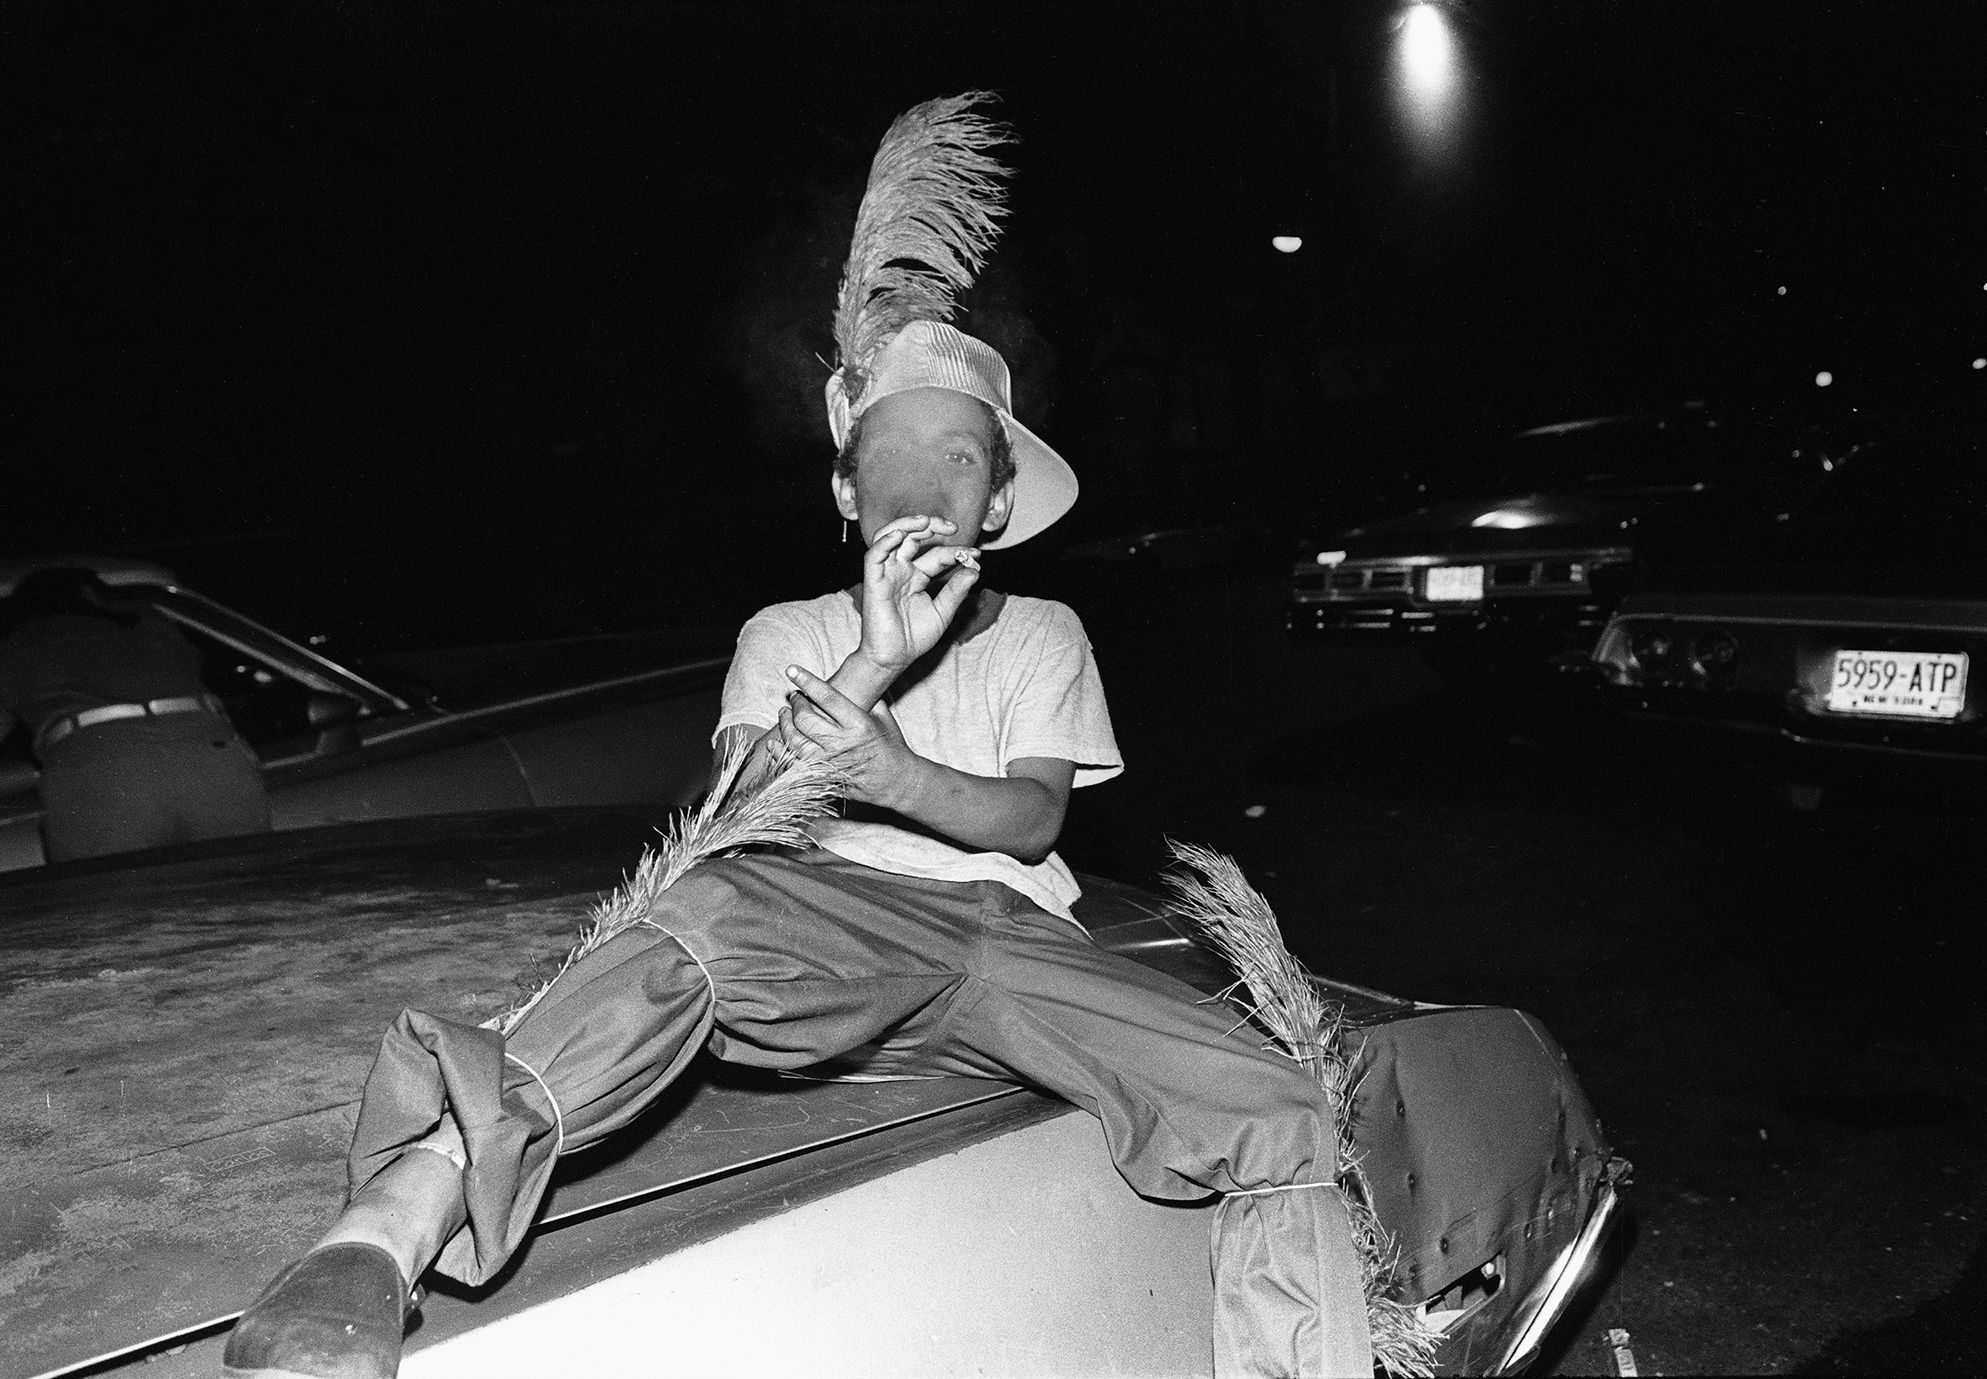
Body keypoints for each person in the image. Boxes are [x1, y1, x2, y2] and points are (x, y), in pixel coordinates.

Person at [222, 96, 1371, 1379]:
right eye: (890, 458)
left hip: (1017, 942)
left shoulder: (1042, 630)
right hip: (839, 927)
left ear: (996, 499)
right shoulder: (787, 629)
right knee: (698, 920)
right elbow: (725, 824)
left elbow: (1036, 816)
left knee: (1276, 1106)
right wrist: (873, 663)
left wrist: (888, 764)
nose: (922, 487)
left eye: (958, 459)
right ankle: (397, 1216)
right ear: (843, 492)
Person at [0, 566, 269, 862]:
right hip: (211, 756)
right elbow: (188, 665)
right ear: (92, 594)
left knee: (110, 897)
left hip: (102, 770)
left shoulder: (20, 644)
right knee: (242, 883)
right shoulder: (151, 623)